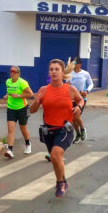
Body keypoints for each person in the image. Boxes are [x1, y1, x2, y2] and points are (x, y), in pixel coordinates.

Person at [30, 59, 84, 198]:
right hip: (48, 130)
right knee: (55, 159)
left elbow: (80, 100)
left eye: (56, 69)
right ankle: (64, 180)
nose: (54, 72)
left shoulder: (69, 89)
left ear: (62, 72)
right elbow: (33, 110)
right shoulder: (43, 90)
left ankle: (60, 183)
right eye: (51, 69)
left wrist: (78, 107)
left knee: (55, 155)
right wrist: (36, 101)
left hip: (65, 129)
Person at [3, 66, 34, 158]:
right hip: (11, 108)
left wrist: (18, 95)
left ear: (18, 73)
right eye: (10, 71)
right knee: (10, 129)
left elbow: (30, 94)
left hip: (22, 108)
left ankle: (28, 144)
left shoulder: (22, 82)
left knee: (23, 128)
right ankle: (10, 150)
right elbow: (9, 93)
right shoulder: (8, 82)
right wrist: (7, 96)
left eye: (14, 72)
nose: (12, 73)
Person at [69, 57, 94, 143]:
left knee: (76, 115)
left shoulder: (85, 73)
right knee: (72, 119)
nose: (73, 65)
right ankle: (78, 134)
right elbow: (67, 85)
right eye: (72, 64)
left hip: (81, 98)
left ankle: (83, 130)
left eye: (75, 63)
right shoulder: (70, 73)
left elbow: (91, 84)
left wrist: (87, 91)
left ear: (79, 64)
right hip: (71, 99)